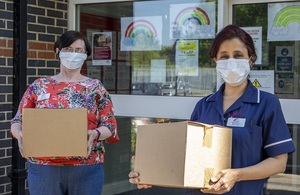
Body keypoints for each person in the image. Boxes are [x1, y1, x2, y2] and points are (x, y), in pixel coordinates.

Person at [128, 24, 295, 195]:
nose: (231, 62)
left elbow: (278, 161)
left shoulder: (266, 103)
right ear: (216, 60)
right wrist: (151, 172)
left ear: (250, 59)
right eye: (224, 56)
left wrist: (237, 175)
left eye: (238, 55)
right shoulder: (204, 105)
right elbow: (188, 155)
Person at [10, 30, 119, 195]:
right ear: (58, 51)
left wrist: (95, 133)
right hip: (43, 168)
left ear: (85, 55)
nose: (73, 54)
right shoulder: (39, 86)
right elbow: (17, 120)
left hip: (86, 168)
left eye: (79, 50)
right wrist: (19, 134)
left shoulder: (95, 87)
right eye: (68, 49)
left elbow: (109, 125)